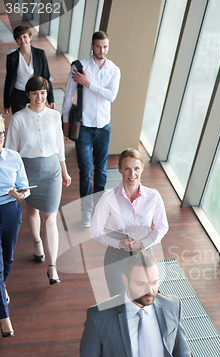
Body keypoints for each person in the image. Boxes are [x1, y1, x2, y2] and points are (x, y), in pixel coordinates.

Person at [6, 76, 71, 285]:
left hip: (52, 170)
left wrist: (65, 171)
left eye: (43, 93)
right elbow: (11, 150)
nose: (39, 97)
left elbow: (60, 146)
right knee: (32, 210)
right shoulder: (18, 119)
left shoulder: (54, 116)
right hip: (28, 170)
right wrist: (12, 179)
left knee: (51, 217)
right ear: (28, 95)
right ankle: (37, 243)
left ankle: (53, 267)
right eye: (35, 93)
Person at [89, 148, 169, 297]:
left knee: (146, 303)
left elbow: (162, 227)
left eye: (136, 168)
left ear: (142, 168)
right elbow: (94, 231)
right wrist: (119, 243)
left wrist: (143, 244)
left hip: (144, 258)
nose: (132, 174)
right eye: (127, 169)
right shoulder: (108, 198)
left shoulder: (154, 196)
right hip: (116, 261)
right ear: (119, 169)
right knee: (121, 306)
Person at [62, 30, 121, 228]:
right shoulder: (79, 67)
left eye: (105, 47)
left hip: (104, 128)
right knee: (86, 171)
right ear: (92, 46)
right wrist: (65, 120)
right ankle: (86, 212)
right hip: (84, 128)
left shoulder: (114, 70)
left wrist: (89, 84)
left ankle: (99, 209)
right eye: (98, 46)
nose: (102, 50)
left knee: (102, 172)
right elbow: (68, 94)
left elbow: (111, 96)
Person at [0, 114, 30, 337]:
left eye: (1, 134)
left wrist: (20, 192)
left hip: (10, 208)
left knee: (8, 258)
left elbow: (24, 186)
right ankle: (5, 317)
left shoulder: (13, 157)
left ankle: (2, 286)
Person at [4, 25, 55, 115]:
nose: (22, 40)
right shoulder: (12, 58)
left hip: (35, 94)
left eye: (24, 36)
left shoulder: (40, 54)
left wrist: (50, 98)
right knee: (20, 121)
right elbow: (8, 81)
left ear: (30, 37)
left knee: (35, 119)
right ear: (16, 41)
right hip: (18, 95)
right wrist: (6, 103)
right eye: (19, 38)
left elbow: (46, 77)